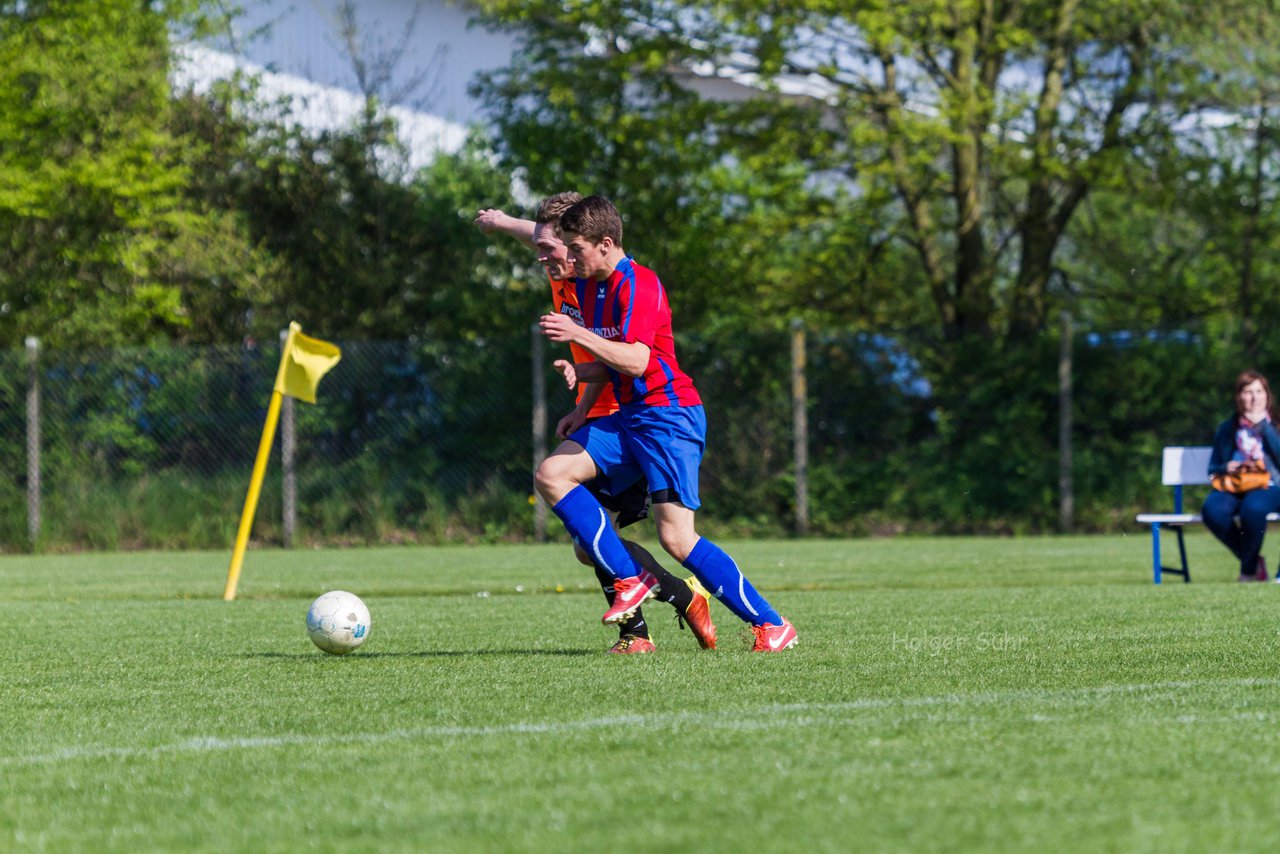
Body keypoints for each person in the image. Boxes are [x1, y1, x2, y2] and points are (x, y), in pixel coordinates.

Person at [533, 195, 797, 652]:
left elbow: (636, 361)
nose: (569, 257)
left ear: (606, 243)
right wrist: (582, 383)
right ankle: (629, 580)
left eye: (575, 248)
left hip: (668, 418)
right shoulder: (593, 286)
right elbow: (611, 361)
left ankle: (772, 625)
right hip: (630, 419)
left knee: (676, 537)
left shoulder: (640, 283)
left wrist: (577, 336)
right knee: (552, 475)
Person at [474, 194, 717, 653]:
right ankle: (682, 599)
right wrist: (503, 222)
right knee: (590, 543)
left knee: (608, 531)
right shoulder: (567, 270)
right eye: (543, 246)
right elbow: (539, 232)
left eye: (554, 248)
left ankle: (639, 632)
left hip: (630, 414)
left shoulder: (601, 276)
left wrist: (587, 394)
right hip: (600, 407)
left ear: (581, 246)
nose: (545, 256)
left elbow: (633, 357)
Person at [1202, 369, 1280, 583]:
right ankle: (1254, 562)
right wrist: (1228, 466)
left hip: (1270, 485)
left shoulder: (1275, 424)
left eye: (1259, 391)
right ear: (1239, 397)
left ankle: (1248, 571)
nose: (1254, 397)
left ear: (1267, 394)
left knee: (1253, 509)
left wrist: (1264, 428)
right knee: (1212, 510)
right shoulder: (1228, 428)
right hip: (1235, 484)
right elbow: (1212, 468)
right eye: (1248, 392)